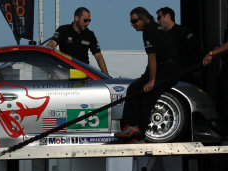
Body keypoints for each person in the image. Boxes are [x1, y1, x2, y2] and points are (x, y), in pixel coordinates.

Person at [114, 7, 180, 143]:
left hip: (168, 68)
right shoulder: (154, 28)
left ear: (143, 18)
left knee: (147, 93)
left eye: (134, 21)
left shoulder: (149, 31)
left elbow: (152, 57)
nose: (132, 25)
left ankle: (139, 131)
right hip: (164, 66)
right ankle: (130, 126)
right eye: (131, 22)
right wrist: (145, 77)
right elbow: (153, 59)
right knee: (133, 88)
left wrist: (151, 81)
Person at [47, 7, 109, 75]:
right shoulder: (63, 30)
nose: (88, 23)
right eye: (85, 20)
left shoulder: (90, 34)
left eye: (89, 21)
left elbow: (98, 55)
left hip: (83, 73)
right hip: (65, 73)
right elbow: (52, 44)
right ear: (76, 18)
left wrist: (106, 75)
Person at [156, 7, 201, 83]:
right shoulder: (161, 36)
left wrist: (196, 70)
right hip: (168, 76)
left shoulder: (184, 32)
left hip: (184, 75)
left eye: (159, 18)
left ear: (167, 16)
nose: (158, 21)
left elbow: (195, 51)